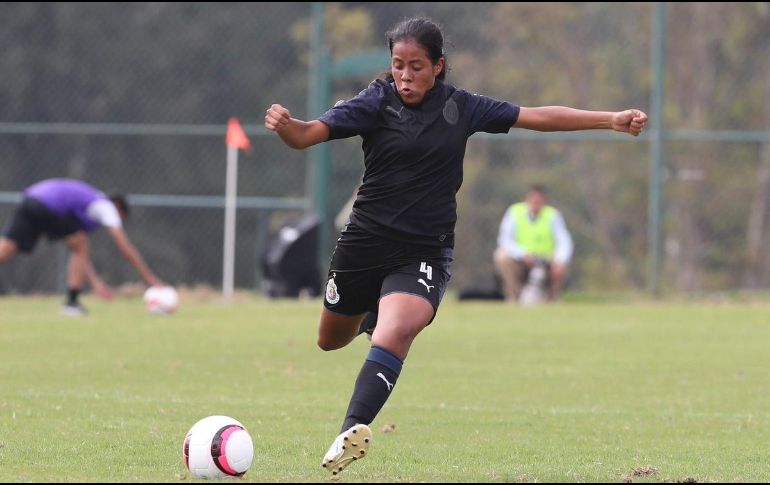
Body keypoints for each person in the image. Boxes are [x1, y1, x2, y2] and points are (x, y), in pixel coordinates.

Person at [264, 17, 647, 475]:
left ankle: (351, 431)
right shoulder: (375, 101)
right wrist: (286, 125)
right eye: (398, 66)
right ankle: (373, 311)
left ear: (439, 66)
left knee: (397, 332)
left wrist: (610, 120)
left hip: (424, 249)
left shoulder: (462, 107)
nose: (405, 77)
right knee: (330, 341)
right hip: (363, 245)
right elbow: (307, 135)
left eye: (417, 67)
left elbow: (537, 117)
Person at [0, 178, 164, 315]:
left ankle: (72, 303)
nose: (118, 221)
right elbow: (125, 247)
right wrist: (150, 278)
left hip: (31, 198)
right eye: (121, 218)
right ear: (119, 208)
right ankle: (71, 304)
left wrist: (95, 283)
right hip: (46, 204)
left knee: (5, 251)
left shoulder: (88, 202)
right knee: (80, 242)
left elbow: (79, 252)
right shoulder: (106, 206)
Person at [494, 185, 574, 303]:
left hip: (546, 261)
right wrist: (522, 254)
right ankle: (514, 298)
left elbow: (564, 241)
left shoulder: (553, 215)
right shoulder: (514, 212)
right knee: (501, 256)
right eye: (533, 198)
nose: (536, 202)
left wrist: (559, 260)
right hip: (521, 260)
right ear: (526, 199)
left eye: (539, 199)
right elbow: (504, 239)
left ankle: (551, 299)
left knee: (561, 265)